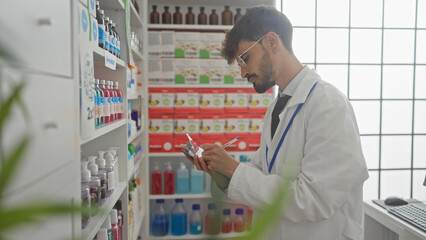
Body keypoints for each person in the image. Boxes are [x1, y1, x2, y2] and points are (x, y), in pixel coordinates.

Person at [187, 6, 369, 240]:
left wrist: (234, 169)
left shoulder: (328, 105)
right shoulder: (277, 106)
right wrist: (220, 171)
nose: (243, 72)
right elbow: (264, 171)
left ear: (272, 42)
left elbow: (313, 200)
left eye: (245, 59)